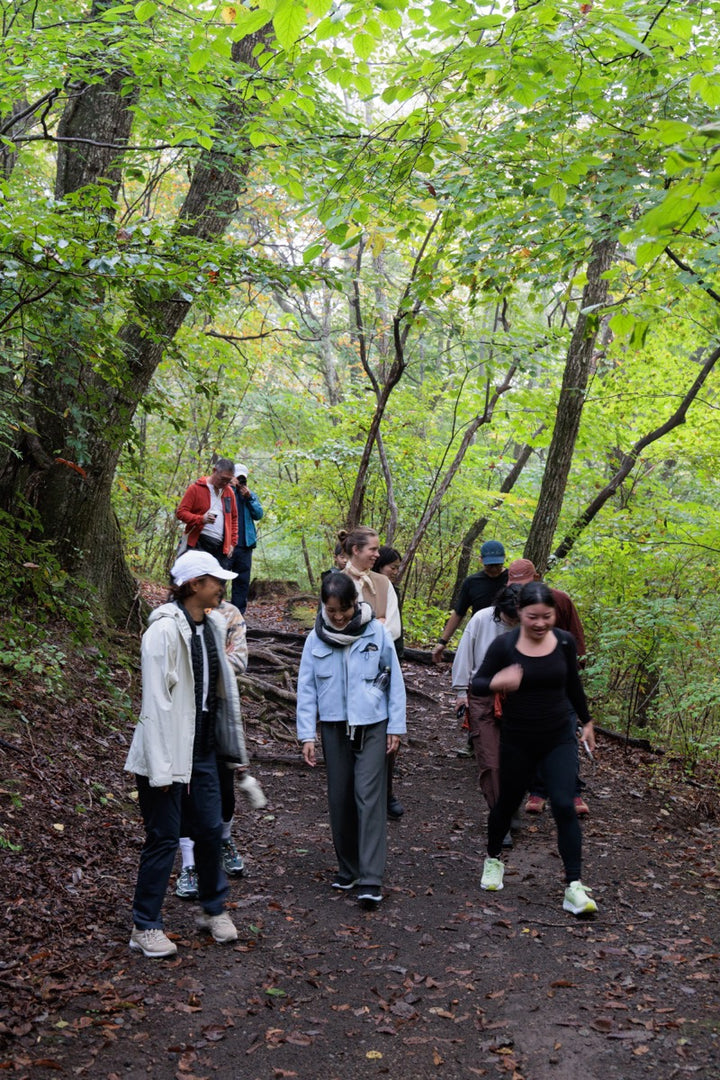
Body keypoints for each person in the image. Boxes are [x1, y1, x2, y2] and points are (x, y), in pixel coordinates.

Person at [124, 550, 245, 957]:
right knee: (163, 838)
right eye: (215, 580)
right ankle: (145, 925)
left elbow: (221, 696)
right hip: (166, 754)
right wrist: (160, 771)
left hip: (204, 752)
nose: (222, 587)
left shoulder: (212, 625)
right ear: (194, 585)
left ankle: (213, 910)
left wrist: (232, 748)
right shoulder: (162, 632)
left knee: (211, 831)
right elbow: (155, 704)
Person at [471, 582, 598, 916]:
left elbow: (573, 684)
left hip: (558, 736)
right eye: (533, 617)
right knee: (506, 803)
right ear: (520, 614)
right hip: (518, 739)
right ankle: (493, 859)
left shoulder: (565, 643)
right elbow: (478, 683)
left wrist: (586, 721)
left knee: (564, 804)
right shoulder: (505, 646)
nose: (540, 624)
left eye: (547, 616)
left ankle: (573, 885)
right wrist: (500, 681)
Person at [296, 572, 406, 908]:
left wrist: (395, 727)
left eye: (344, 609)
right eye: (332, 611)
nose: (339, 617)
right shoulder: (316, 638)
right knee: (340, 797)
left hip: (372, 724)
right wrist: (306, 734)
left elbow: (394, 678)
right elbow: (307, 687)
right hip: (333, 727)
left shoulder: (375, 632)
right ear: (323, 607)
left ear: (355, 604)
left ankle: (371, 878)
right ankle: (349, 869)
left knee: (368, 797)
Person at [175, 595, 267, 900]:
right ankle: (189, 865)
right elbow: (173, 662)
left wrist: (202, 659)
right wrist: (215, 655)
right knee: (186, 792)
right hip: (182, 714)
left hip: (220, 711)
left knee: (224, 790)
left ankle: (225, 840)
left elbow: (240, 659)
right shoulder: (174, 615)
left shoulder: (230, 613)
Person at [505, 559, 589, 816]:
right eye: (515, 585)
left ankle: (572, 792)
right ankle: (538, 791)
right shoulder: (512, 605)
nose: (520, 589)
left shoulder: (560, 600)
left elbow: (577, 641)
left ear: (537, 578)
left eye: (525, 584)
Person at [451, 586, 521, 826]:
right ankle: (500, 815)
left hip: (518, 699)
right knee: (490, 760)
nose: (513, 621)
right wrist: (461, 692)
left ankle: (511, 805)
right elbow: (464, 654)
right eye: (509, 616)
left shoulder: (530, 624)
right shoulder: (482, 619)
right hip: (482, 695)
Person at [432, 540, 508, 663]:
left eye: (497, 565)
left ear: (504, 559)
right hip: (480, 635)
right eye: (490, 565)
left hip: (506, 635)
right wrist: (443, 642)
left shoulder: (513, 579)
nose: (494, 569)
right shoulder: (472, 582)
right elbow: (459, 612)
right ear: (481, 560)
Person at [373, 545, 405, 820]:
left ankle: (387, 793)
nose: (396, 573)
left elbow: (393, 630)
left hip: (387, 668)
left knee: (387, 731)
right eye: (392, 567)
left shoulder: (390, 591)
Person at [342, 527, 402, 642]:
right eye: (373, 549)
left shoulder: (383, 583)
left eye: (377, 550)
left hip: (375, 656)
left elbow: (394, 629)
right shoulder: (335, 582)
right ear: (356, 550)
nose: (378, 554)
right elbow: (331, 626)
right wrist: (377, 626)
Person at [176, 458, 238, 568]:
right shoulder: (196, 488)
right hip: (197, 541)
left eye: (228, 481)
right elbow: (181, 513)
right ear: (214, 471)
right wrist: (201, 519)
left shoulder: (229, 492)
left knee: (216, 582)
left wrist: (232, 543)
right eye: (222, 479)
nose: (224, 483)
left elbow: (233, 519)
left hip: (220, 546)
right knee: (192, 577)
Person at [229, 463, 264, 614]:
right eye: (238, 478)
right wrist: (230, 487)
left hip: (245, 545)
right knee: (219, 580)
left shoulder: (250, 495)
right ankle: (215, 614)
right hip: (227, 544)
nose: (241, 482)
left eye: (243, 479)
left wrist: (249, 498)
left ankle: (238, 616)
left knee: (242, 582)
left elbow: (258, 514)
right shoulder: (225, 492)